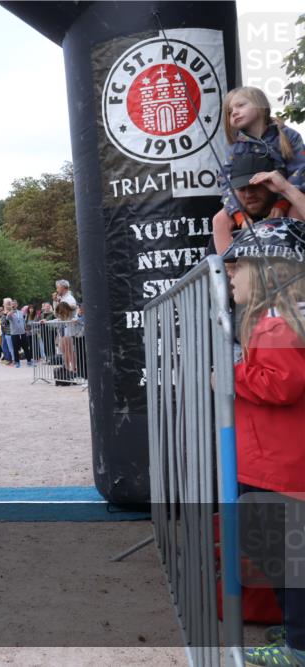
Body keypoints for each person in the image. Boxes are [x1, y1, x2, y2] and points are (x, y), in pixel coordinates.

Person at [219, 217, 305, 667]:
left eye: (239, 267)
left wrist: (228, 376)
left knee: (290, 564)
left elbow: (285, 384)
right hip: (272, 465)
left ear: (268, 271)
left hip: (280, 469)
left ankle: (299, 647)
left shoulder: (276, 326)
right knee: (281, 560)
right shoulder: (272, 323)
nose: (230, 275)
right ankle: (295, 634)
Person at [212, 86, 305, 256]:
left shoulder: (288, 136)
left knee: (296, 212)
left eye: (240, 105)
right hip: (246, 207)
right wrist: (239, 215)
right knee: (219, 220)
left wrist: (282, 204)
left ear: (261, 105)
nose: (234, 112)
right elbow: (225, 184)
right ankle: (230, 273)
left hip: (285, 199)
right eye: (230, 111)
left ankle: (294, 260)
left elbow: (300, 171)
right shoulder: (234, 148)